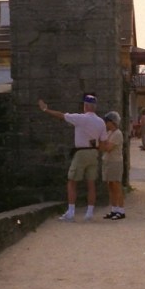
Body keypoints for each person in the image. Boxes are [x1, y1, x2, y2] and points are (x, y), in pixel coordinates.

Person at [37, 94, 108, 222]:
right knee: (91, 183)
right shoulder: (101, 122)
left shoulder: (80, 118)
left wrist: (46, 110)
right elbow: (103, 143)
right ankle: (89, 213)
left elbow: (61, 115)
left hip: (81, 152)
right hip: (94, 152)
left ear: (85, 106)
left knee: (72, 181)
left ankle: (71, 212)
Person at [100, 111, 126, 220]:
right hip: (108, 161)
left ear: (112, 122)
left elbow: (108, 148)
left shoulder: (117, 134)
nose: (105, 123)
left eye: (107, 121)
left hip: (115, 162)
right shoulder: (110, 132)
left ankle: (121, 210)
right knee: (110, 186)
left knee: (116, 185)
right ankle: (114, 209)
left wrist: (100, 143)